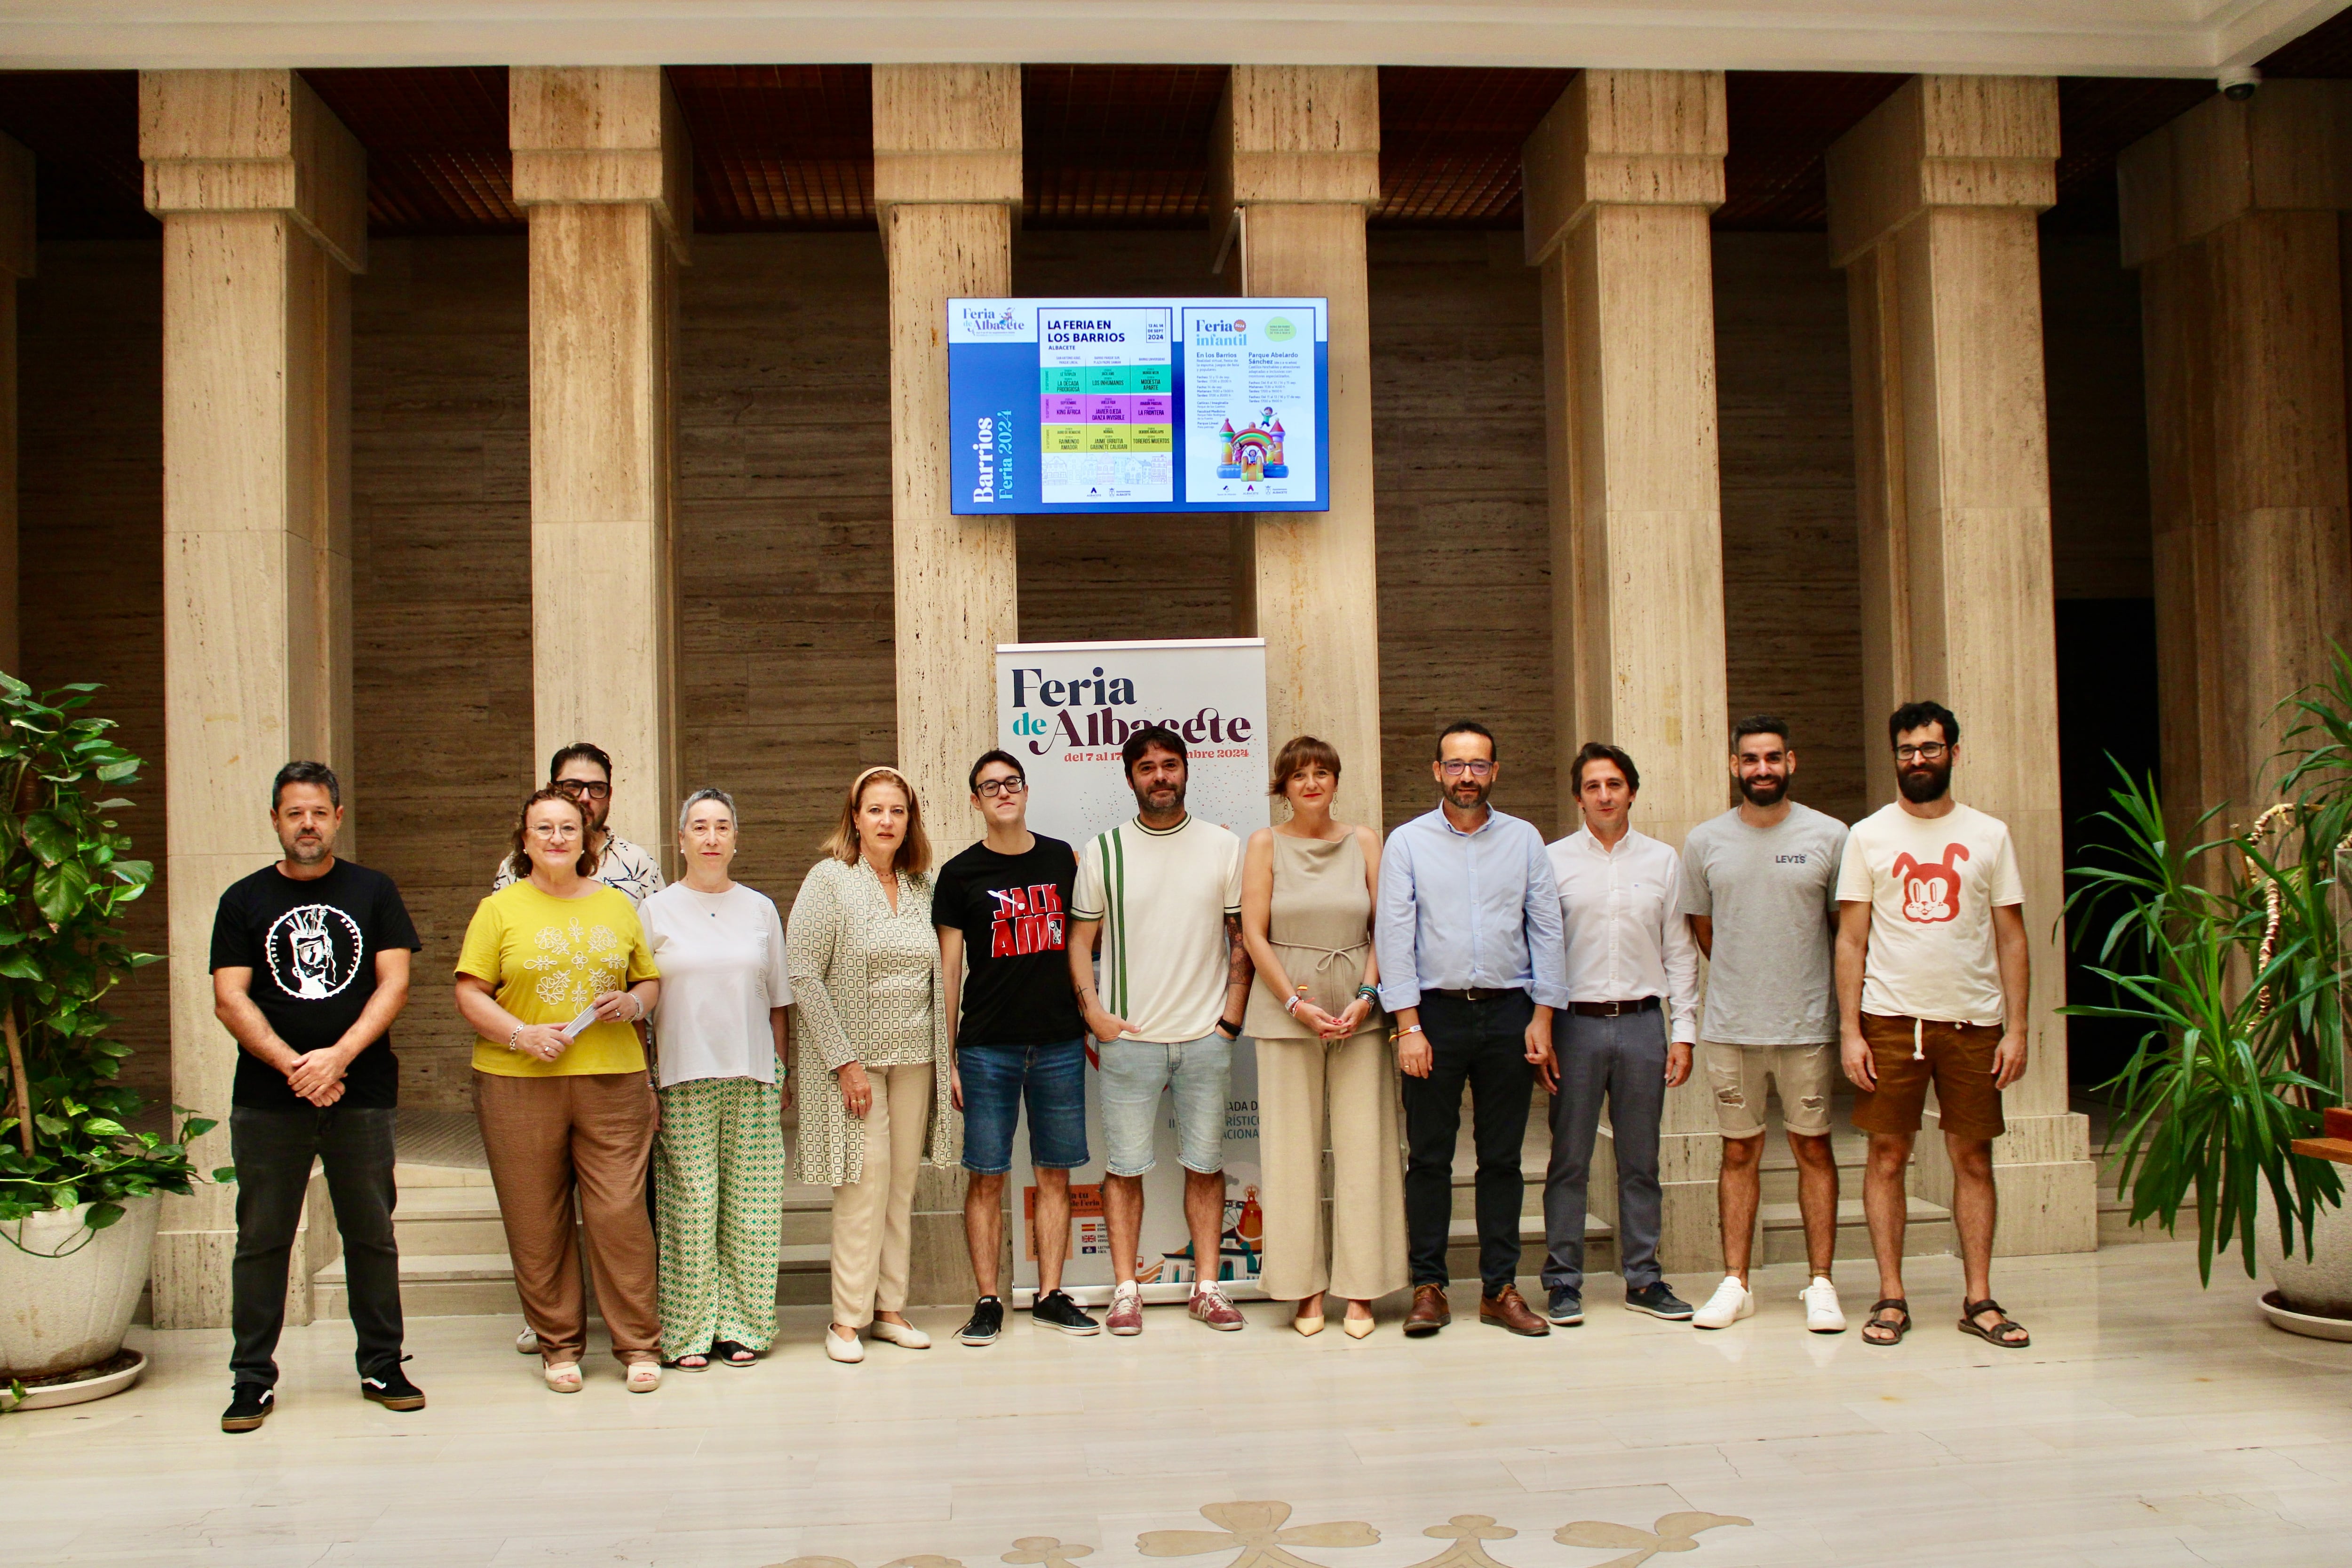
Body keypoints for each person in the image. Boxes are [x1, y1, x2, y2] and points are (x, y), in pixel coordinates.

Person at [210, 762, 424, 1433]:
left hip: (359, 1091)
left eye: (318, 812)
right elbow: (229, 996)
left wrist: (337, 1058)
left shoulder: (374, 891)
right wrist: (294, 1065)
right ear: (276, 819)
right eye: (293, 812)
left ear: (337, 816)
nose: (307, 824)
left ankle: (382, 1363)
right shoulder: (242, 899)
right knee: (263, 1237)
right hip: (269, 1100)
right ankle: (252, 1379)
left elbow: (393, 985)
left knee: (371, 1233)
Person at [1836, 700, 2033, 1351]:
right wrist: (1850, 1030)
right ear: (1895, 756)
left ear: (1953, 751)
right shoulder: (1868, 836)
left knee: (1972, 1157)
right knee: (1887, 1156)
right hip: (1890, 1022)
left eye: (1930, 747)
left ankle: (1979, 1299)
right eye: (1906, 750)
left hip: (1974, 1023)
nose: (1917, 759)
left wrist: (2018, 1028)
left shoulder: (1990, 835)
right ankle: (1891, 1295)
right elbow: (1851, 941)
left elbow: (2011, 937)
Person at [455, 786, 664, 1394]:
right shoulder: (499, 909)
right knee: (536, 1218)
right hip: (518, 1083)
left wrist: (632, 1002)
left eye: (567, 827)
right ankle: (559, 1347)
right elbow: (470, 992)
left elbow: (647, 983)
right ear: (524, 840)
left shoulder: (617, 907)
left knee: (621, 1215)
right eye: (542, 828)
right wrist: (519, 1034)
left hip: (613, 1079)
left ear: (587, 837)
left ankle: (638, 1345)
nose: (555, 838)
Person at [1375, 720, 1568, 1339]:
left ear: (1494, 772)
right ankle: (1428, 1286)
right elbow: (1394, 936)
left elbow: (1547, 930)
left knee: (1503, 1158)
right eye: (1455, 764)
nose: (1466, 776)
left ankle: (1499, 1288)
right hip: (1433, 1015)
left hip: (1510, 1012)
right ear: (1436, 771)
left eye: (1478, 765)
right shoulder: (1407, 843)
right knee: (1429, 1157)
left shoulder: (1525, 839)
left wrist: (1542, 1016)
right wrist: (1407, 1026)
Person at [1067, 725, 1251, 1336]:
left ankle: (1207, 1286)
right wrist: (1092, 1009)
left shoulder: (1224, 848)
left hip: (1205, 1036)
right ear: (1130, 779)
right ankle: (1126, 1291)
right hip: (1129, 1039)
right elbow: (1080, 941)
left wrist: (1230, 1018)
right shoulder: (1104, 852)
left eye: (1170, 765)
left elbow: (1241, 941)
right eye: (1147, 768)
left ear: (1187, 771)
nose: (1160, 777)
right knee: (1125, 1167)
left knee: (1205, 1164)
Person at [1673, 717, 1849, 1333]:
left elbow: (1842, 929)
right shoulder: (1705, 841)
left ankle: (1820, 1283)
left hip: (1807, 1025)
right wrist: (1750, 971)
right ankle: (1735, 1283)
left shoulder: (1831, 835)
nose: (1763, 769)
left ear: (1791, 762)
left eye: (1773, 758)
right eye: (1751, 760)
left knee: (1813, 1147)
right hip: (1731, 1026)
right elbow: (1703, 929)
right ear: (1734, 766)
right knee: (1739, 1151)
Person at [787, 766, 960, 1364]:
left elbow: (941, 969)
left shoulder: (921, 885)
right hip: (856, 1066)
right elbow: (803, 973)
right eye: (876, 810)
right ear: (854, 818)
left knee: (901, 1187)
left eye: (898, 811)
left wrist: (948, 1057)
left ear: (909, 821)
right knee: (863, 1186)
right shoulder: (829, 880)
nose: (887, 821)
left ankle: (889, 1310)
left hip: (917, 1058)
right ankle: (845, 1320)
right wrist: (845, 1064)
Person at [1240, 735, 1405, 1338]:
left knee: (1366, 1147)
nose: (1311, 783)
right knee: (1290, 1150)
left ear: (1336, 780)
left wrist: (1368, 996)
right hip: (1288, 1009)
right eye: (1298, 775)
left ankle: (1360, 1291)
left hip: (1360, 1005)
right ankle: (1303, 1287)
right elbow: (1254, 934)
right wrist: (1292, 1002)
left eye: (1321, 773)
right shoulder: (1263, 845)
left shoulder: (1364, 840)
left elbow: (1386, 924)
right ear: (1281, 786)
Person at [935, 750, 1099, 1346]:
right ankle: (987, 1301)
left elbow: (1085, 945)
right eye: (989, 787)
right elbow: (949, 971)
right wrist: (946, 1056)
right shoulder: (958, 875)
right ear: (975, 802)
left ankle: (1051, 1295)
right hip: (986, 1048)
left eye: (1011, 783)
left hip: (1058, 1041)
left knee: (1054, 1175)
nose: (1002, 793)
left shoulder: (1062, 859)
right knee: (986, 1177)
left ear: (1025, 793)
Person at [1543, 742, 1701, 1326]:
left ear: (1631, 790)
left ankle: (1643, 1278)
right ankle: (1562, 1281)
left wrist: (1681, 1032)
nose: (1604, 795)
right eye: (1591, 786)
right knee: (1568, 1160)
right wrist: (1540, 1030)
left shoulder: (1662, 862)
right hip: (1573, 1028)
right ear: (1577, 796)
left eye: (1613, 784)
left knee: (1640, 1160)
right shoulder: (1551, 860)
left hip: (1641, 1026)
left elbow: (1680, 952)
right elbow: (1540, 951)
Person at [638, 788, 793, 1370]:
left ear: (735, 839)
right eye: (698, 827)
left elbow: (779, 1002)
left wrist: (781, 1070)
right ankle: (687, 1333)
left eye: (721, 827)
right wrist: (645, 1082)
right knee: (690, 1207)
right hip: (681, 1076)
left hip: (752, 1073)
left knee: (752, 1212)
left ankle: (743, 1327)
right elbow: (641, 1004)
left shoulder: (759, 909)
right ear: (680, 840)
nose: (710, 837)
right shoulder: (655, 911)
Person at [492, 740, 663, 903]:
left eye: (597, 788)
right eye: (573, 786)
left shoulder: (639, 864)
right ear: (552, 790)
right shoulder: (515, 868)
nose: (585, 798)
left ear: (609, 795)